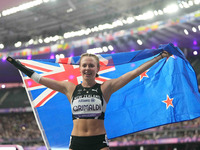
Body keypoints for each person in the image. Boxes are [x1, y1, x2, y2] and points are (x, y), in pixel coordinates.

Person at [7, 50, 171, 150]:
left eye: (91, 65)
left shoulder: (105, 88)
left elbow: (132, 74)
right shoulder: (69, 88)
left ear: (97, 69)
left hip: (98, 142)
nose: (87, 68)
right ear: (79, 69)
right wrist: (19, 66)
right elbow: (41, 79)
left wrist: (156, 59)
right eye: (84, 65)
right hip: (76, 142)